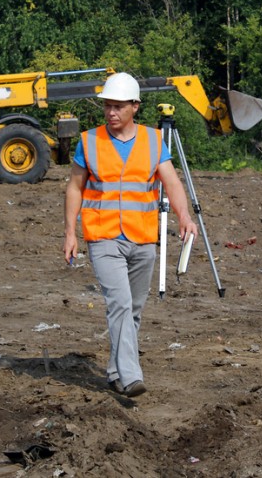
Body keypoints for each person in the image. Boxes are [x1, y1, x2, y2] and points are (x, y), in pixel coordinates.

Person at [63, 72, 198, 398]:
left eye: (118, 106)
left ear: (135, 107)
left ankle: (114, 371)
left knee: (133, 308)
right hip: (103, 236)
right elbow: (74, 187)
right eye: (108, 106)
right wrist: (70, 233)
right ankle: (131, 373)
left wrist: (184, 216)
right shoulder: (89, 141)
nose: (111, 112)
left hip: (143, 238)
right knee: (119, 303)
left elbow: (173, 183)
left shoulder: (153, 141)